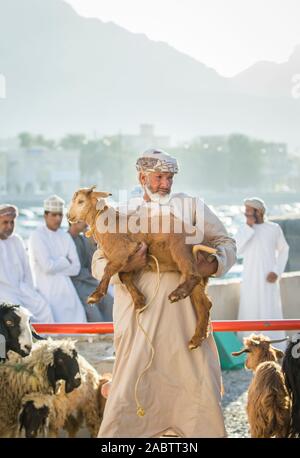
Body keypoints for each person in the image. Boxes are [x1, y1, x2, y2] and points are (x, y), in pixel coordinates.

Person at [92, 149, 236, 438]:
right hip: (138, 325)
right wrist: (126, 267)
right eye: (158, 177)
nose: (165, 184)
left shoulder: (193, 207)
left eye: (169, 178)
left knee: (196, 402)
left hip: (185, 326)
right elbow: (97, 262)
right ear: (142, 177)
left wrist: (213, 263)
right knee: (131, 399)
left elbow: (226, 242)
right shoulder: (122, 213)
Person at [236, 197, 289, 348]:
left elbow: (284, 250)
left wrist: (276, 271)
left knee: (269, 310)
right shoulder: (243, 229)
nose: (245, 214)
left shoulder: (274, 228)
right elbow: (237, 250)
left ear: (258, 212)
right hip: (250, 279)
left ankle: (276, 347)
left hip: (269, 279)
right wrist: (248, 228)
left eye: (248, 211)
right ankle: (248, 347)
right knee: (250, 309)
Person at [28, 195, 86, 323]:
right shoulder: (37, 236)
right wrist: (65, 261)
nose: (58, 218)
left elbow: (76, 268)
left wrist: (56, 265)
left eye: (60, 215)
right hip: (45, 288)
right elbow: (47, 267)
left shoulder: (65, 237)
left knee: (78, 319)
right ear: (45, 215)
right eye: (54, 215)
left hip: (67, 289)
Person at [0, 204, 53, 322]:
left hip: (21, 288)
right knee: (18, 313)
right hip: (3, 292)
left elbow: (27, 270)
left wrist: (30, 291)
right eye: (5, 222)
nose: (9, 226)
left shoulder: (16, 240)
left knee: (43, 308)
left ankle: (47, 339)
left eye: (12, 222)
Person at [68, 221, 113, 322]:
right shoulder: (65, 239)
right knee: (95, 314)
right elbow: (73, 269)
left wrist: (91, 241)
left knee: (110, 302)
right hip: (78, 285)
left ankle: (110, 335)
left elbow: (92, 262)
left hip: (91, 283)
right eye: (83, 220)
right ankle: (99, 335)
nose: (86, 223)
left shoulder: (83, 239)